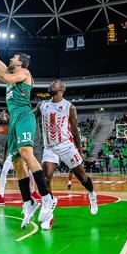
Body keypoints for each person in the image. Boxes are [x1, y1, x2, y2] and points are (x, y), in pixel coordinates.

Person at [0, 35, 55, 228]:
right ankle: (28, 202)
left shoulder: (24, 73)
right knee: (17, 162)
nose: (10, 59)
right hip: (13, 120)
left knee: (26, 153)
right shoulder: (9, 70)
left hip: (25, 116)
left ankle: (47, 198)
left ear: (20, 63)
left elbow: (7, 77)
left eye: (13, 58)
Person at [37, 80, 98, 230]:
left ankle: (92, 194)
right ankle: (50, 216)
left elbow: (75, 130)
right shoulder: (42, 105)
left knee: (82, 177)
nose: (51, 86)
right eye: (50, 84)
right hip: (49, 147)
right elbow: (29, 117)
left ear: (62, 89)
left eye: (54, 85)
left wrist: (79, 150)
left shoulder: (69, 107)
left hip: (66, 145)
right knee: (45, 179)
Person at [0, 111, 39, 205]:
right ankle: (2, 196)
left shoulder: (17, 122)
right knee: (26, 172)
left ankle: (32, 193)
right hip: (16, 153)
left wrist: (6, 115)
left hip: (21, 152)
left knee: (29, 172)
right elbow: (7, 143)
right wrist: (4, 156)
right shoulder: (13, 126)